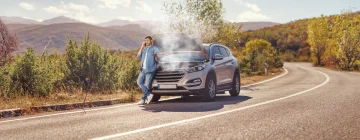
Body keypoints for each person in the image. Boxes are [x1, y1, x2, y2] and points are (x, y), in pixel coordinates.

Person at [136, 36, 159, 105]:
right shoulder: (144, 49)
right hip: (143, 69)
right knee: (139, 82)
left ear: (151, 41)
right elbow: (138, 56)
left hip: (151, 69)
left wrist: (155, 56)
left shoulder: (155, 49)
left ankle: (143, 99)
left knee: (147, 85)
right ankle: (149, 94)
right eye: (145, 40)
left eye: (148, 40)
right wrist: (141, 47)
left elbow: (158, 59)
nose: (146, 42)